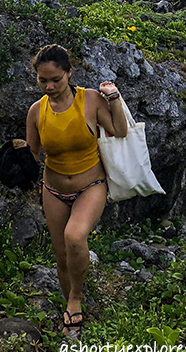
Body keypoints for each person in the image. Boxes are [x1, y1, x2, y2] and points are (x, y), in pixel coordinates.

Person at [22, 43, 127, 337]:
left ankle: (76, 299)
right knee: (61, 254)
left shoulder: (90, 100)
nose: (50, 86)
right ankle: (72, 309)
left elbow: (119, 130)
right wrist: (13, 159)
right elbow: (31, 154)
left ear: (69, 73)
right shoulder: (36, 111)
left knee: (74, 236)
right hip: (53, 189)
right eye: (43, 80)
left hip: (91, 185)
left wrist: (115, 99)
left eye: (56, 79)